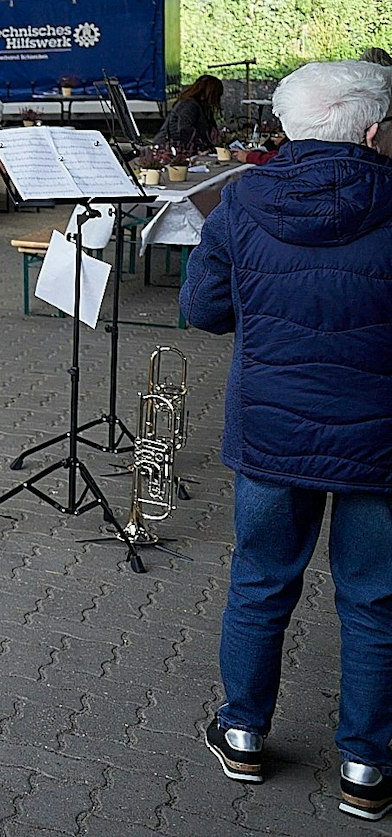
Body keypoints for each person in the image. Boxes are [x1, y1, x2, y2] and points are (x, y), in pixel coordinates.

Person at [182, 60, 392, 822]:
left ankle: (241, 732)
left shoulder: (242, 201)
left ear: (286, 127)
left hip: (272, 433)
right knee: (374, 600)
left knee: (262, 579)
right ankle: (366, 767)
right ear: (373, 132)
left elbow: (202, 309)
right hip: (381, 443)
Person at [158, 73, 224, 155]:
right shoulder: (189, 105)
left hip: (178, 148)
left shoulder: (198, 105)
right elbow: (184, 129)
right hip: (171, 150)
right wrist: (200, 147)